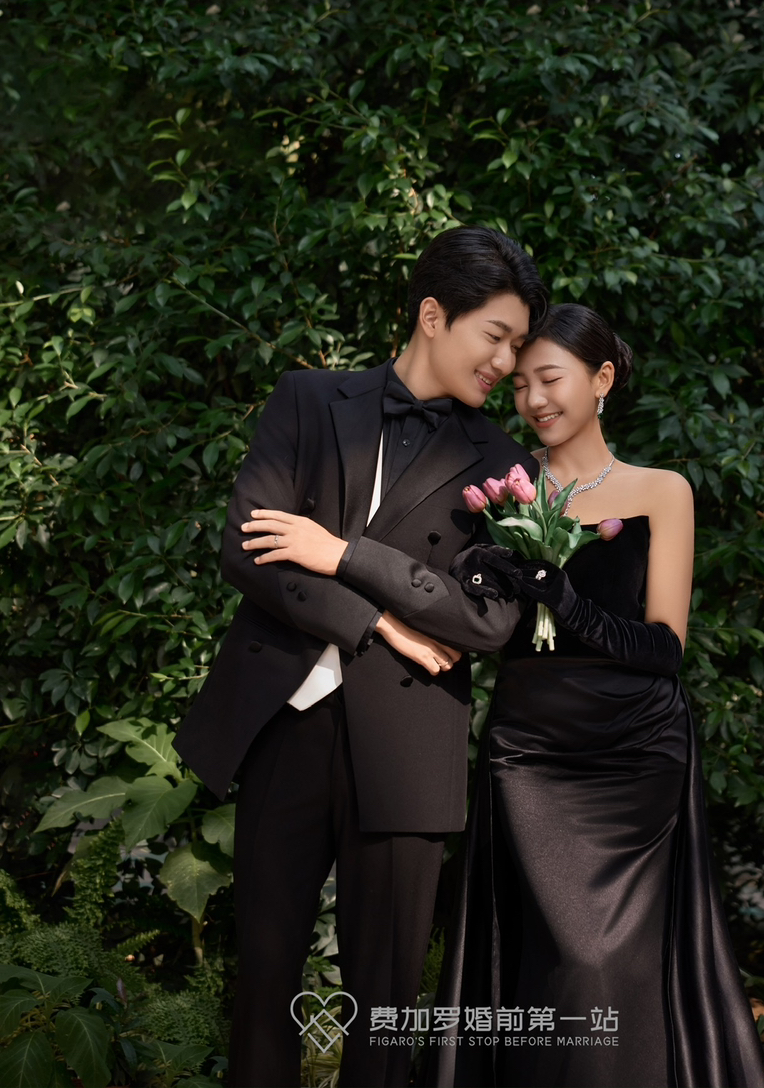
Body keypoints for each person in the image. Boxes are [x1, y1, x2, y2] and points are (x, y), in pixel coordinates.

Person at [172, 226, 548, 1088]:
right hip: (285, 724)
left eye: (519, 345)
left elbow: (489, 619)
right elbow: (247, 549)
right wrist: (381, 622)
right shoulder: (308, 399)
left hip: (410, 743)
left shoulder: (505, 465)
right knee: (264, 984)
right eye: (495, 336)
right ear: (432, 315)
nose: (507, 363)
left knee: (385, 1002)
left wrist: (341, 553)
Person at [432, 303, 764, 1088]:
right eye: (520, 385)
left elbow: (666, 648)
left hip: (635, 755)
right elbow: (477, 622)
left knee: (609, 963)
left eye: (549, 379)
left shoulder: (662, 490)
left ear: (602, 378)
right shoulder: (504, 492)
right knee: (554, 961)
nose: (533, 399)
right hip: (530, 752)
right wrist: (471, 572)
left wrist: (569, 602)